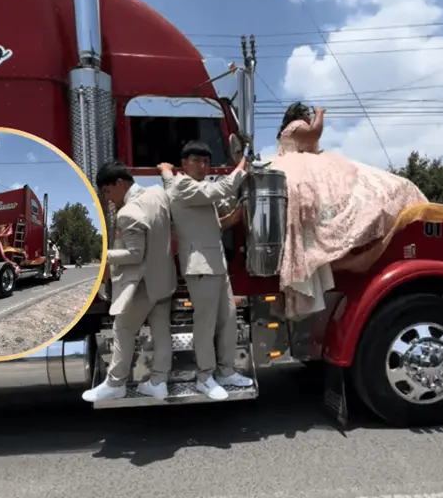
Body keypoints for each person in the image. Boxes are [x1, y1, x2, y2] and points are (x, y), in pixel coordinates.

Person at [269, 103, 428, 315]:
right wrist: (320, 113)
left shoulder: (287, 135)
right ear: (298, 115)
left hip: (299, 170)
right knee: (354, 192)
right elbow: (314, 133)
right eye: (306, 113)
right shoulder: (297, 126)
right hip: (302, 171)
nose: (308, 116)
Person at [160, 141, 253, 401]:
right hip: (201, 265)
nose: (202, 165)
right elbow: (222, 188)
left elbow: (210, 225)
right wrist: (242, 165)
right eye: (196, 160)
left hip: (216, 263)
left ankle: (226, 371)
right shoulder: (184, 185)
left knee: (229, 318)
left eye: (205, 161)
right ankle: (204, 377)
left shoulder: (193, 188)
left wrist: (233, 218)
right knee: (206, 324)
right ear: (184, 164)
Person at [82, 161, 176, 402]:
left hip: (142, 285)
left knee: (123, 329)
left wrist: (104, 254)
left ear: (120, 183)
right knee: (161, 331)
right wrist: (167, 173)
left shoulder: (128, 213)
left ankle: (116, 383)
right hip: (164, 280)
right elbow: (172, 190)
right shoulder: (158, 194)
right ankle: (159, 381)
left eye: (107, 191)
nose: (107, 198)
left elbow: (135, 255)